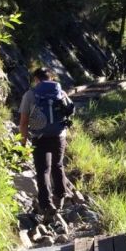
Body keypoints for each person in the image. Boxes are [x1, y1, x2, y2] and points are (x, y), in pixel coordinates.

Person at [18, 67, 74, 221]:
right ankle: (60, 198)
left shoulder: (30, 95)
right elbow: (69, 111)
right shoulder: (60, 92)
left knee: (43, 170)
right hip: (58, 136)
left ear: (36, 79)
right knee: (57, 165)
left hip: (40, 137)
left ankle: (47, 205)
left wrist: (22, 144)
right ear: (51, 77)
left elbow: (23, 123)